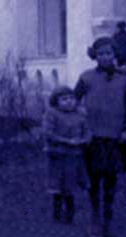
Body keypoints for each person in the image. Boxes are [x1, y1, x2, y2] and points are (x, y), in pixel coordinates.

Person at [74, 37, 126, 237]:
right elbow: (73, 100)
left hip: (115, 136)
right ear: (95, 56)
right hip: (93, 136)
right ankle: (95, 215)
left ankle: (108, 215)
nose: (105, 57)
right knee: (93, 177)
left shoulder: (125, 79)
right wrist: (80, 120)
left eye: (109, 53)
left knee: (110, 177)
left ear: (115, 55)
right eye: (101, 54)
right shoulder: (86, 77)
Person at [42, 85, 90, 224]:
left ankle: (70, 214)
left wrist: (84, 140)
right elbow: (48, 133)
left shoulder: (80, 115)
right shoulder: (51, 114)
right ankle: (56, 214)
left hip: (74, 155)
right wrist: (66, 141)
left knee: (70, 185)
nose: (69, 102)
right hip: (57, 155)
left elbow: (87, 131)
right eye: (64, 99)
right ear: (56, 101)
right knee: (57, 185)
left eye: (71, 98)